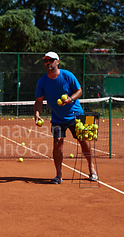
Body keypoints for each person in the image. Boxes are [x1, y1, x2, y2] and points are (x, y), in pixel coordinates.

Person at [34, 51, 97, 184]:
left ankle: (92, 169)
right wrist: (37, 115)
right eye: (45, 61)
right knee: (57, 145)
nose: (47, 63)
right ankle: (58, 175)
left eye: (50, 60)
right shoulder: (42, 82)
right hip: (57, 118)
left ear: (57, 61)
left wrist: (70, 99)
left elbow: (79, 91)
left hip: (77, 116)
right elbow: (39, 101)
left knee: (84, 141)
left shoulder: (67, 75)